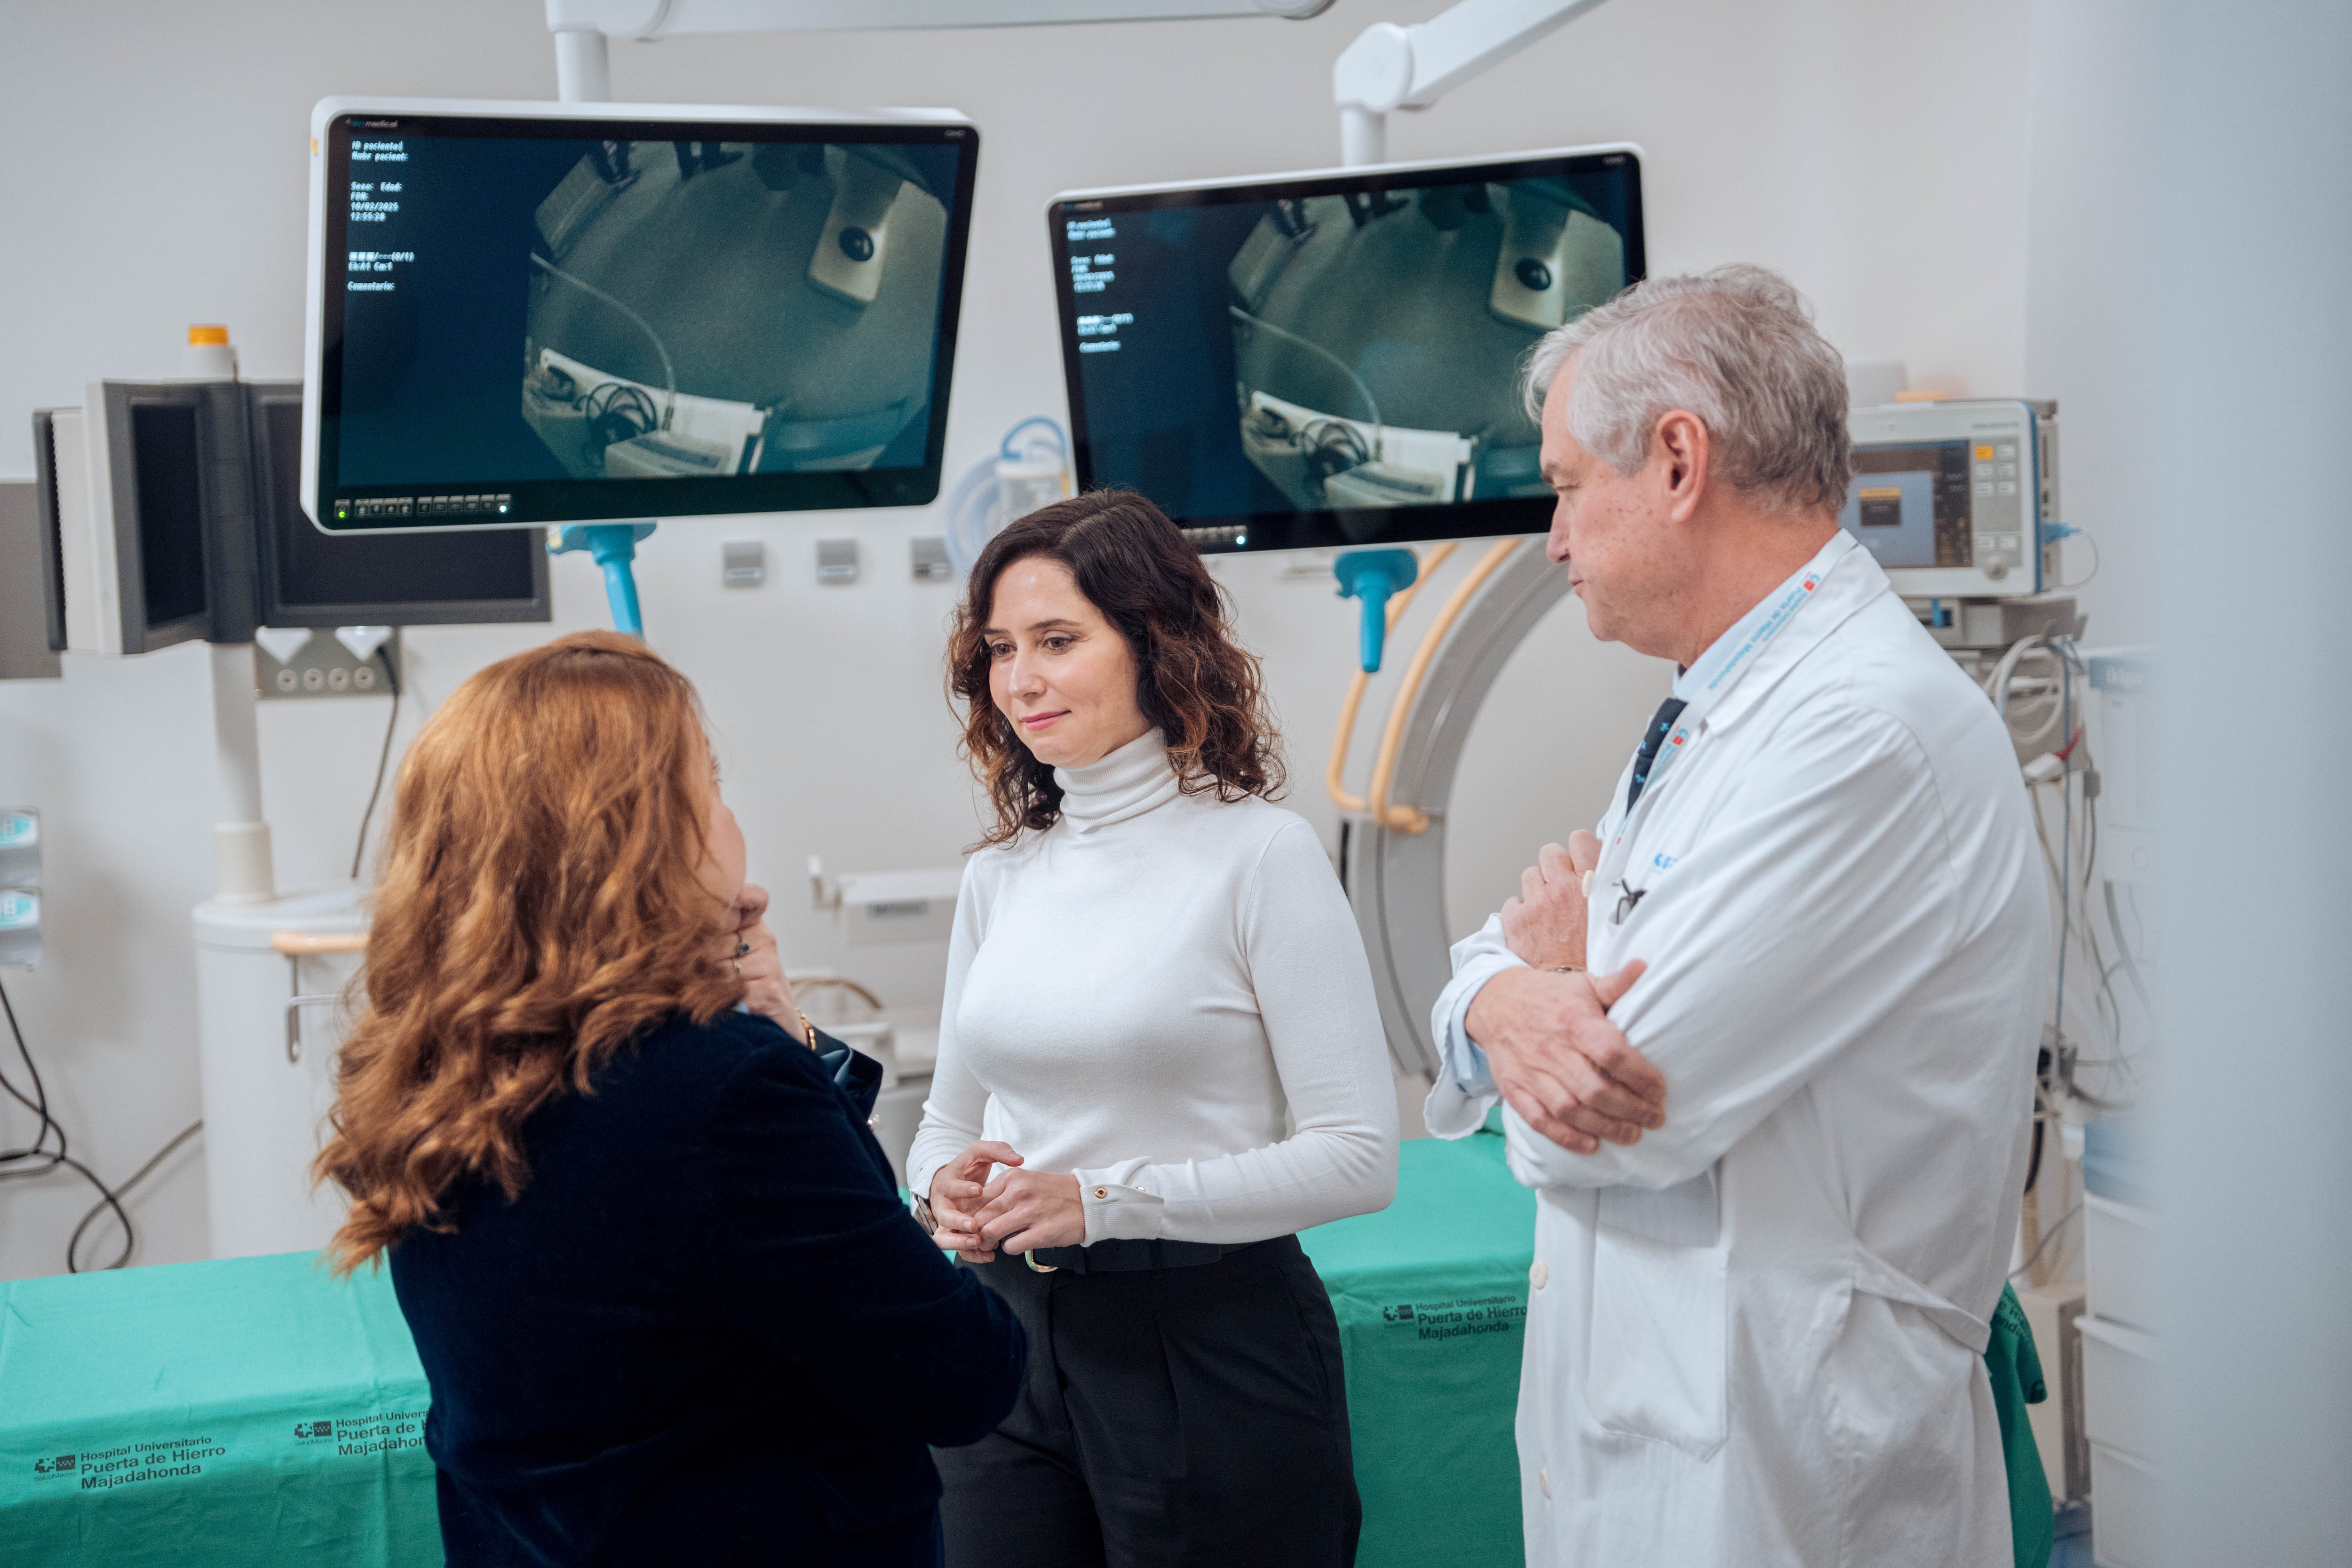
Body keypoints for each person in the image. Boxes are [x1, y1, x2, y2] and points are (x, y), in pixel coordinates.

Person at [1426, 267, 2048, 1565]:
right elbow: (1512, 973)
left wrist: (1538, 987)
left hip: (1788, 1466)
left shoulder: (1862, 730)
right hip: (1668, 1436)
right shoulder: (1718, 707)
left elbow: (1615, 1121)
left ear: (1674, 460)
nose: (1552, 537)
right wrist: (1504, 991)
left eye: (1564, 484)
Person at [314, 631, 1025, 1568]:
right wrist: (777, 1052)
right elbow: (957, 1376)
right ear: (644, 832)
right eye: (711, 784)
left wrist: (778, 1032)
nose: (731, 820)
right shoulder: (721, 1089)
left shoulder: (434, 1059)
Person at [907, 493, 1400, 1568]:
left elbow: (1360, 1158)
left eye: (1056, 640)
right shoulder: (1001, 874)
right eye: (998, 648)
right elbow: (944, 1117)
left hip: (1206, 1334)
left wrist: (1103, 1200)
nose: (1020, 679)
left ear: (1153, 642)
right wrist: (938, 1181)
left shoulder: (1260, 854)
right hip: (1003, 1336)